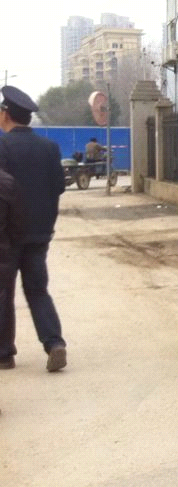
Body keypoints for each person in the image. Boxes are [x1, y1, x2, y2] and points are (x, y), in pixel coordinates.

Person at [0, 85, 68, 372]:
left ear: (5, 115)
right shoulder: (49, 148)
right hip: (39, 234)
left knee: (3, 292)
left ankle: (4, 354)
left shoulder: (2, 146)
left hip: (6, 234)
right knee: (38, 290)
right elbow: (59, 186)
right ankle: (54, 343)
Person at [0, 161, 25, 376]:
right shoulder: (8, 182)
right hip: (3, 249)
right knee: (4, 300)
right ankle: (4, 354)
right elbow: (17, 222)